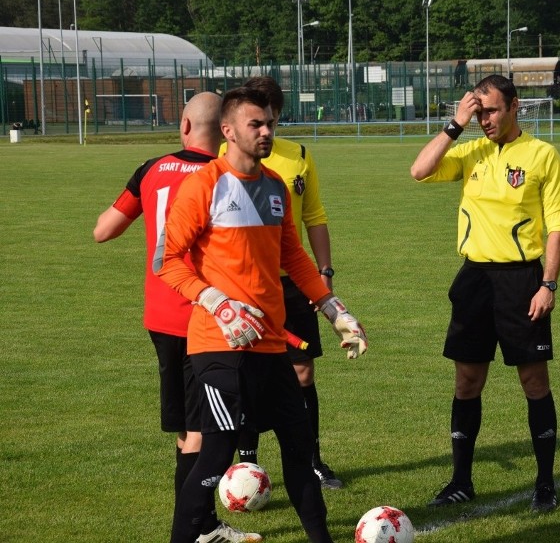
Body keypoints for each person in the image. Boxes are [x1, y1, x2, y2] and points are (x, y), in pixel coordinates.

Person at [155, 85, 367, 543]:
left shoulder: (274, 187)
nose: (267, 131)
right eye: (256, 124)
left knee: (299, 451)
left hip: (271, 344)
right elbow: (167, 261)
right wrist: (217, 302)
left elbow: (293, 257)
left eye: (270, 122)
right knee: (216, 457)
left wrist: (335, 311)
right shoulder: (204, 185)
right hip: (218, 345)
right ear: (228, 130)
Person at [410, 74, 560, 513]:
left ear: (516, 106)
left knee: (533, 381)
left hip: (523, 281)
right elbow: (419, 170)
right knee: (467, 381)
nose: (485, 120)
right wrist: (455, 124)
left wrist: (548, 284)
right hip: (474, 280)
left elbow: (557, 226)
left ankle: (544, 484)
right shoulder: (470, 150)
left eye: (492, 110)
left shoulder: (542, 155)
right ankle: (461, 480)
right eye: (479, 112)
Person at [93, 91, 223, 511]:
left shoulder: (150, 169)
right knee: (205, 428)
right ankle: (199, 526)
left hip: (160, 314)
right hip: (206, 315)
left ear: (184, 126)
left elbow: (103, 230)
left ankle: (194, 520)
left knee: (188, 428)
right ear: (225, 131)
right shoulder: (225, 175)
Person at [226, 76, 343, 489]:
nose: (264, 130)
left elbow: (314, 216)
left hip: (292, 284)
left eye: (270, 120)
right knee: (246, 377)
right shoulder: (225, 158)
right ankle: (247, 465)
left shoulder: (299, 157)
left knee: (303, 373)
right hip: (241, 286)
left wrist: (324, 274)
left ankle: (311, 459)